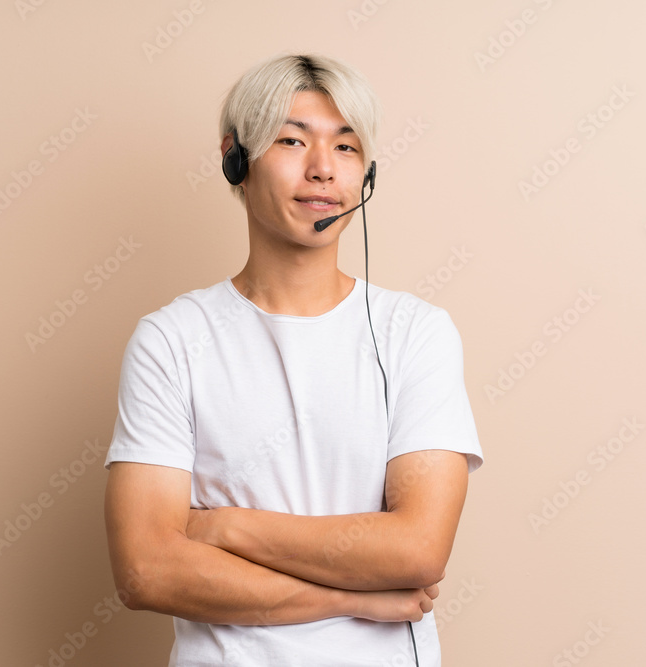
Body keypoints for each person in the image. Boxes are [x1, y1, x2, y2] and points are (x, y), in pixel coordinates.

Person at [103, 52, 484, 666]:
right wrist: (358, 598)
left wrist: (224, 528)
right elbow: (146, 571)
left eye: (346, 147)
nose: (322, 171)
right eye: (291, 140)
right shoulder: (170, 340)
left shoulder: (416, 332)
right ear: (236, 158)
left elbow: (417, 550)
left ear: (367, 173)